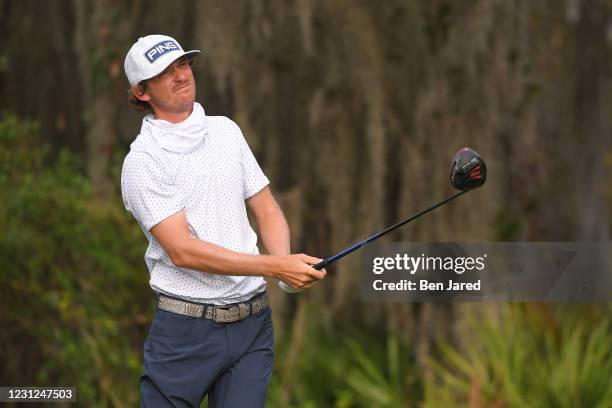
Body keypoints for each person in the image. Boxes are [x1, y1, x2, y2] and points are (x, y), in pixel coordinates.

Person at [120, 34, 326, 408]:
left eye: (183, 64)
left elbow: (266, 209)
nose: (180, 75)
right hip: (186, 331)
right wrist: (276, 266)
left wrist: (285, 268)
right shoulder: (143, 160)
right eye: (165, 72)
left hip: (252, 325)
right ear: (142, 91)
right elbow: (183, 251)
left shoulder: (226, 131)